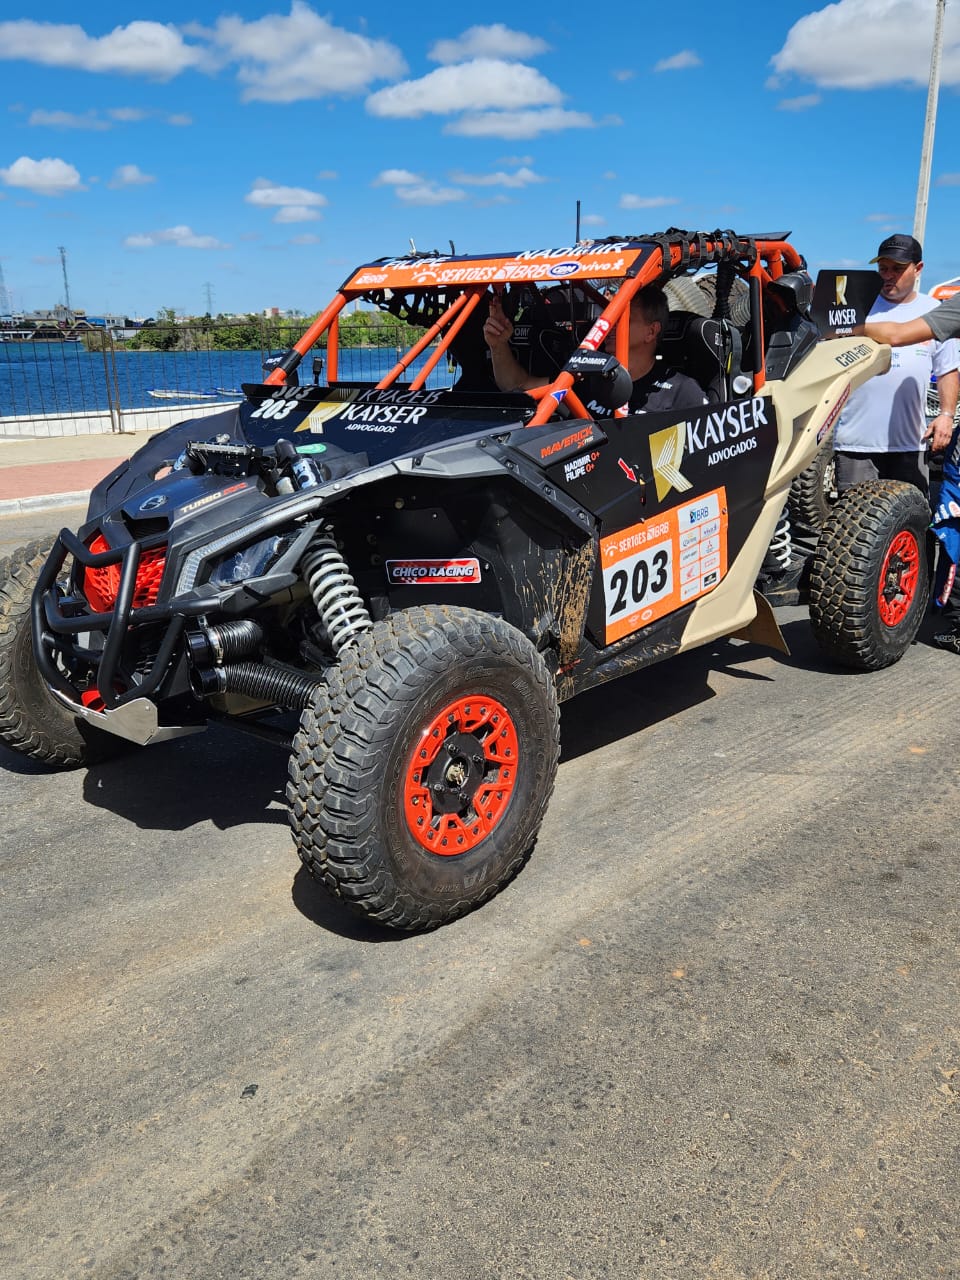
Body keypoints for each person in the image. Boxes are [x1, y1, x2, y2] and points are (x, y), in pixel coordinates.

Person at [832, 234, 959, 498]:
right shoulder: (855, 309)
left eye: (898, 269)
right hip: (855, 443)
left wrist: (946, 415)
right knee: (856, 531)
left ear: (918, 268)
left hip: (911, 443)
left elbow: (947, 369)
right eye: (883, 268)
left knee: (910, 525)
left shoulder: (935, 310)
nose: (888, 275)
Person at [482, 283, 709, 417]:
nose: (610, 324)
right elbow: (515, 385)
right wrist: (498, 345)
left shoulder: (683, 392)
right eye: (611, 316)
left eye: (623, 319)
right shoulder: (587, 375)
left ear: (651, 332)